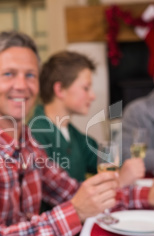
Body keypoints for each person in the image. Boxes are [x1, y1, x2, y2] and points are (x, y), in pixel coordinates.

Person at [0, 31, 154, 236]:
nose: (22, 85)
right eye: (9, 74)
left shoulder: (27, 142)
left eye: (30, 75)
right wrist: (75, 211)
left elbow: (69, 190)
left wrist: (146, 195)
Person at [29, 50, 145, 185]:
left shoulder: (72, 134)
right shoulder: (37, 134)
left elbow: (106, 161)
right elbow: (61, 194)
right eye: (86, 88)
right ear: (60, 90)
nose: (93, 96)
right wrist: (120, 181)